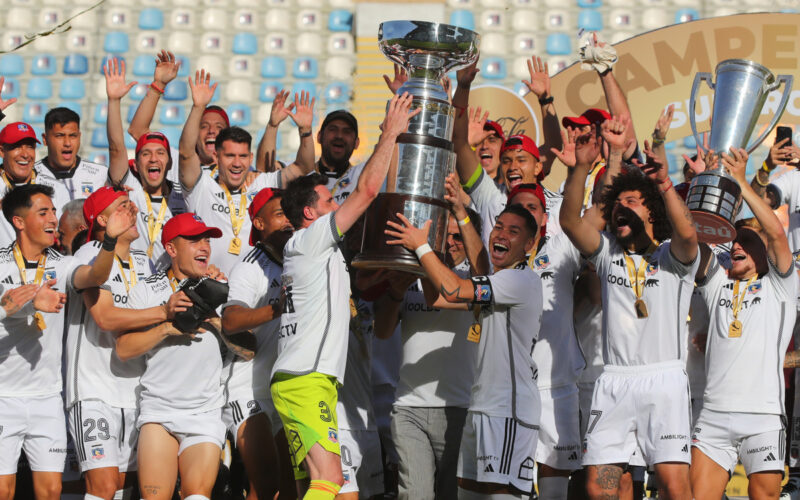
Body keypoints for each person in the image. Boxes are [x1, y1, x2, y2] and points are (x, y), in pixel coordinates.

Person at [269, 92, 418, 500]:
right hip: (307, 380)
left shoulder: (312, 247)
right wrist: (390, 133)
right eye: (330, 200)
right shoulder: (313, 239)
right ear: (312, 214)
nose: (338, 204)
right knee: (329, 481)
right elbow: (367, 191)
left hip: (303, 380)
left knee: (317, 483)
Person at [560, 126, 698, 500]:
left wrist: (667, 184)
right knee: (601, 487)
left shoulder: (672, 257)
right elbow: (570, 222)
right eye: (617, 203)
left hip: (663, 384)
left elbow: (689, 236)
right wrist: (581, 169)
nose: (622, 207)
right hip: (614, 384)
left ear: (652, 209)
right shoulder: (607, 255)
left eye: (632, 201)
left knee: (673, 487)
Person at [385, 203, 543, 499]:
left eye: (514, 231)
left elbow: (454, 290)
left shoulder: (519, 279)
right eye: (499, 227)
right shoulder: (499, 282)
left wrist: (421, 246)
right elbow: (439, 299)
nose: (503, 234)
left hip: (508, 411)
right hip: (481, 409)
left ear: (530, 244)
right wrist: (454, 214)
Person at [0, 183, 136, 500]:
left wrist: (110, 242)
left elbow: (94, 276)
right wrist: (24, 305)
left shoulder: (62, 264)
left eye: (53, 211)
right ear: (19, 222)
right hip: (3, 397)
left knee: (52, 491)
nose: (53, 219)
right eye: (43, 212)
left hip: (47, 397)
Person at [691, 147, 798, 500]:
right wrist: (707, 182)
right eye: (735, 242)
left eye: (748, 243)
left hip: (762, 416)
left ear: (763, 254)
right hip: (714, 416)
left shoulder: (781, 284)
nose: (738, 246)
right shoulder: (717, 282)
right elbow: (700, 236)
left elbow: (778, 235)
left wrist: (742, 181)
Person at [116, 213, 229, 500]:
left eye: (206, 239)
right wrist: (167, 327)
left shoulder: (222, 288)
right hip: (159, 411)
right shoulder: (146, 290)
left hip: (204, 411)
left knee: (197, 496)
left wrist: (215, 317)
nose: (204, 246)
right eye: (193, 240)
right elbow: (123, 349)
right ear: (171, 249)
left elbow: (249, 349)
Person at [374, 206, 482, 500]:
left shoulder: (475, 279)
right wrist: (396, 293)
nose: (451, 243)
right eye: (444, 236)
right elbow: (382, 332)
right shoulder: (409, 271)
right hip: (409, 407)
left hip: (460, 408)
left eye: (459, 237)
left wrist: (424, 260)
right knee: (415, 495)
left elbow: (443, 295)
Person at [63, 187, 158, 500]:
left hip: (136, 390)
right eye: (121, 207)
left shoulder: (147, 263)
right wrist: (162, 313)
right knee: (102, 487)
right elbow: (104, 317)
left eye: (132, 205)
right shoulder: (89, 254)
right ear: (102, 219)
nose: (131, 212)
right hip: (94, 391)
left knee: (124, 487)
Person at [179, 69, 315, 274]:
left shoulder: (261, 184)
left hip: (254, 289)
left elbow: (303, 167)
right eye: (229, 156)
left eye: (243, 157)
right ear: (216, 157)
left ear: (250, 159)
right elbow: (186, 153)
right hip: (211, 285)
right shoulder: (201, 187)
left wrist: (305, 131)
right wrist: (198, 107)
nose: (237, 163)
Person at [220, 188, 295, 500]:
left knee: (287, 489)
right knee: (266, 485)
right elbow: (231, 319)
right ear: (259, 223)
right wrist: (275, 308)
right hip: (247, 389)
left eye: (290, 213)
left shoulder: (298, 258)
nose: (289, 221)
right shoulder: (250, 266)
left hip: (285, 388)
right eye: (279, 215)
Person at [103, 57, 185, 270]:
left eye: (160, 153)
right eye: (146, 154)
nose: (154, 159)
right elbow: (116, 147)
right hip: (131, 280)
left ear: (169, 163)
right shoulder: (130, 189)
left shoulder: (183, 197)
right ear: (136, 165)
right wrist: (114, 101)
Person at [0, 121, 71, 245]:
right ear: (2, 151)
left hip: (44, 261)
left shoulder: (56, 188)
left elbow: (63, 233)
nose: (25, 154)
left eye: (30, 146)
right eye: (17, 146)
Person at [34, 107, 109, 201]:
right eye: (59, 136)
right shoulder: (32, 177)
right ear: (45, 139)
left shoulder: (101, 174)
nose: (67, 143)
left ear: (79, 137)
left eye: (73, 136)